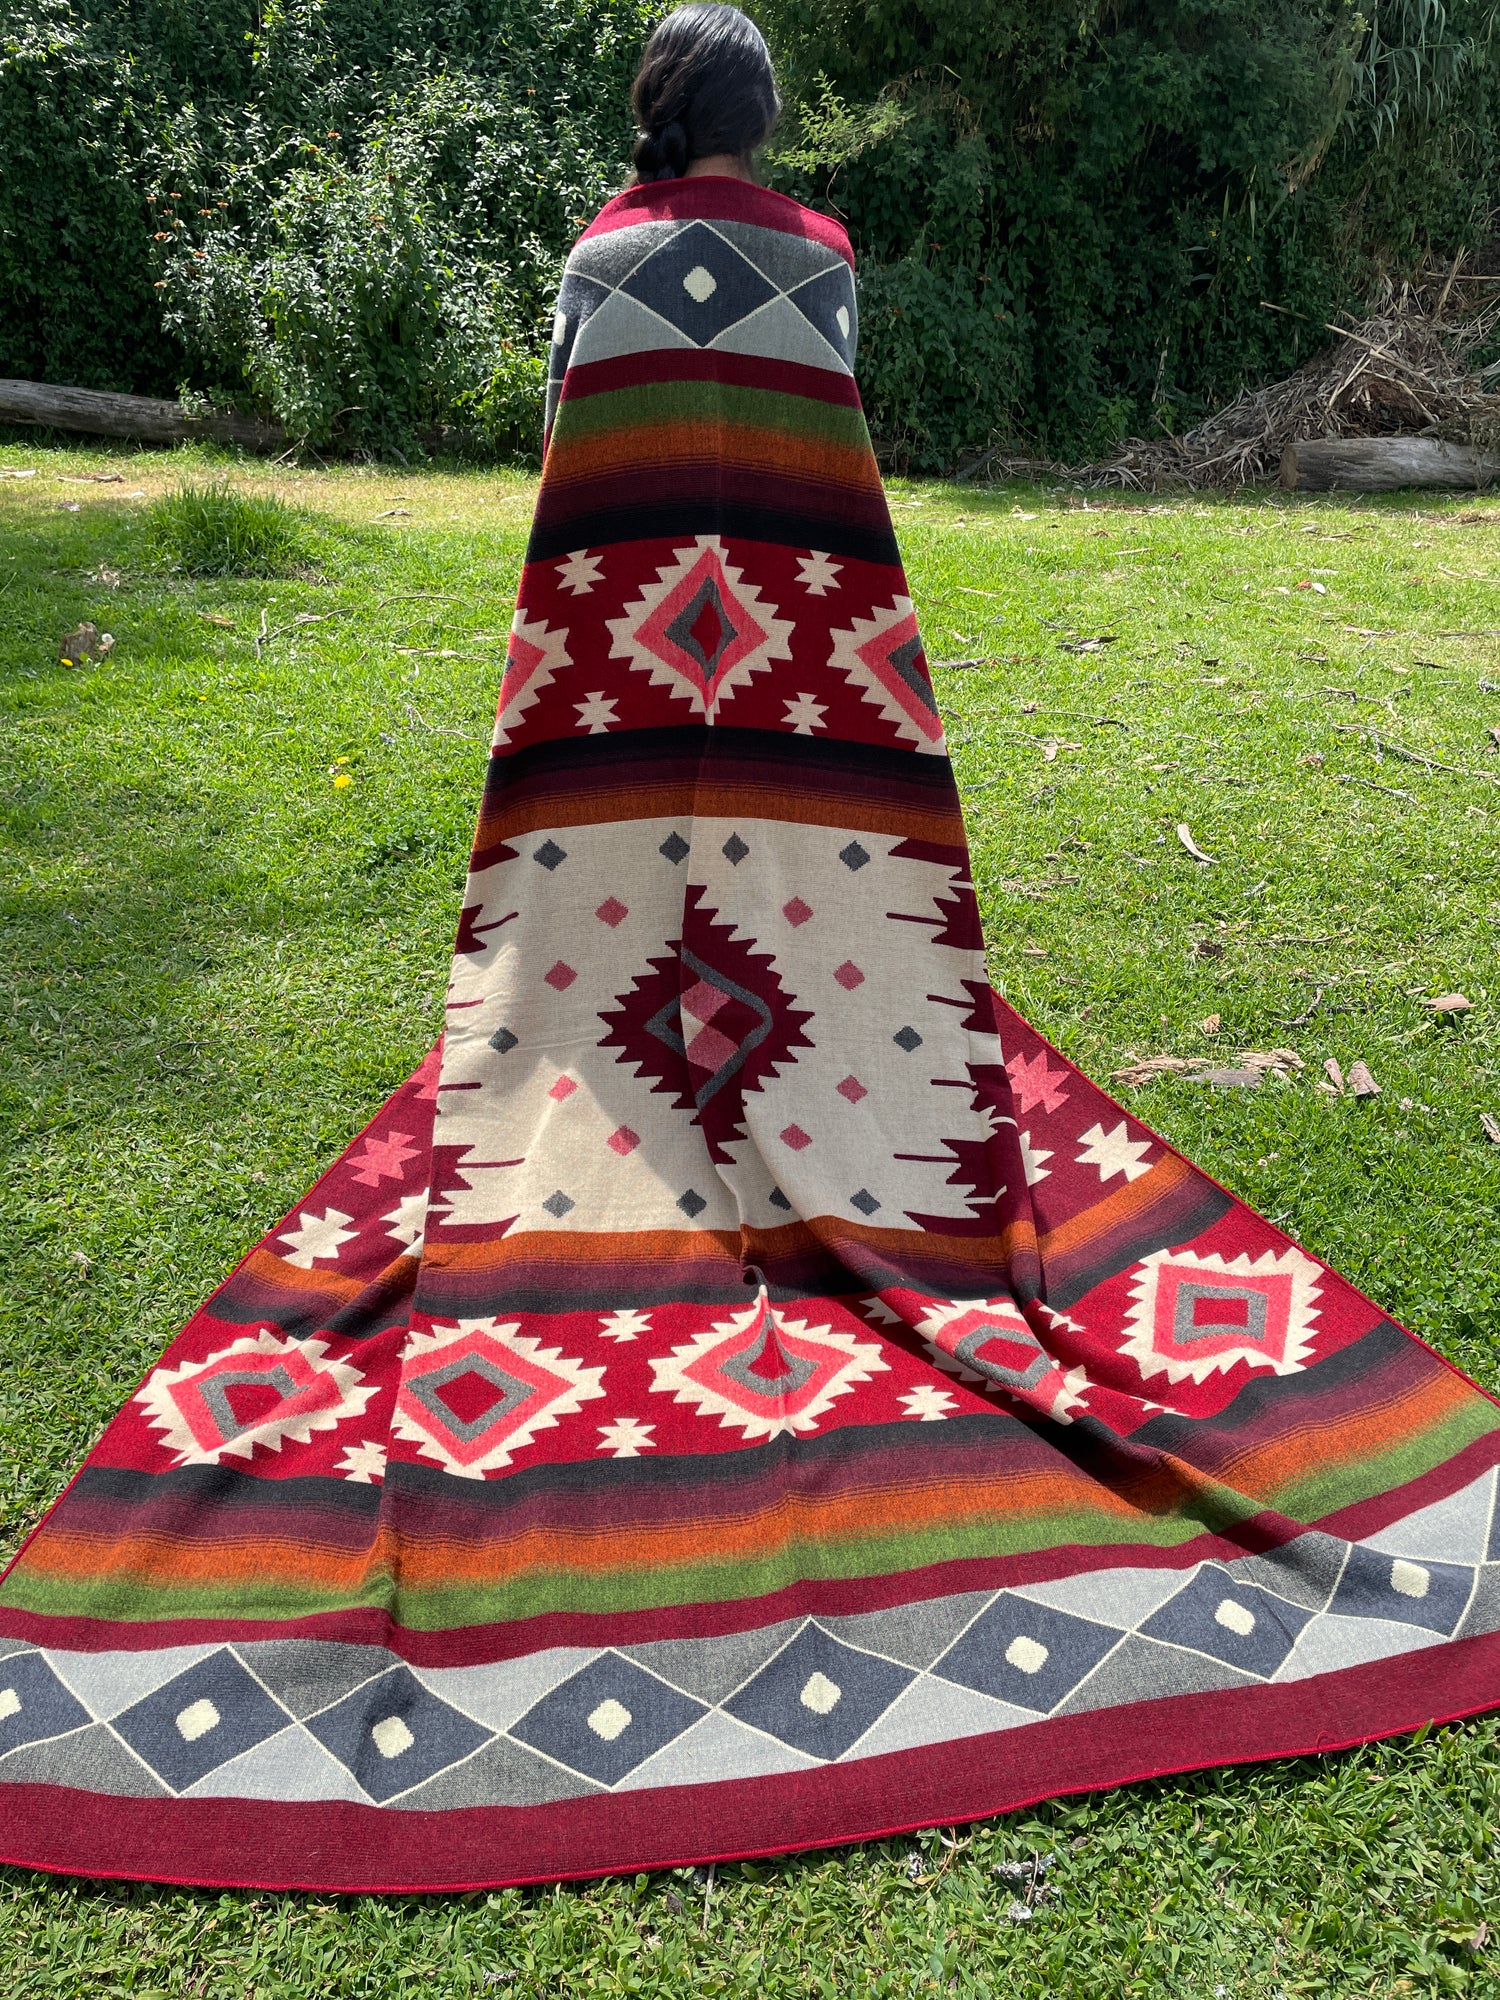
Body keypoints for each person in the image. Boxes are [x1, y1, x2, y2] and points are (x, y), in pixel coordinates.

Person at [2, 3, 1498, 1894]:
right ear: (767, 120)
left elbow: (574, 454)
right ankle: (827, 1080)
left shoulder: (598, 257)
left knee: (578, 997)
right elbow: (827, 455)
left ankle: (603, 1052)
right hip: (806, 700)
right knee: (859, 988)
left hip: (615, 699)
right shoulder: (821, 258)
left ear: (650, 113)